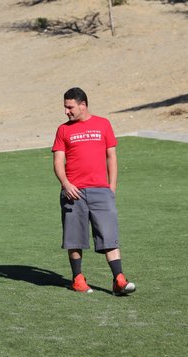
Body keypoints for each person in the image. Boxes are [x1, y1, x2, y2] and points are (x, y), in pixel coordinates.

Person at [52, 87, 135, 296]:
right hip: (74, 192)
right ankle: (78, 279)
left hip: (101, 191)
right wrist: (65, 184)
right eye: (65, 107)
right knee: (74, 238)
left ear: (83, 105)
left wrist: (112, 187)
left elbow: (111, 158)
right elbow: (58, 161)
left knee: (109, 236)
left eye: (70, 107)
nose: (66, 111)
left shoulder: (103, 124)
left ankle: (119, 280)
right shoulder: (63, 130)